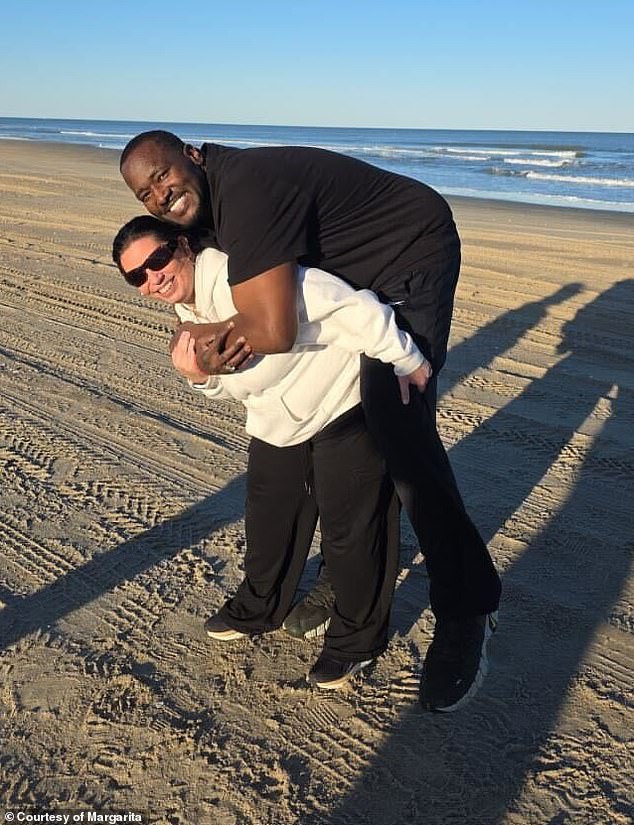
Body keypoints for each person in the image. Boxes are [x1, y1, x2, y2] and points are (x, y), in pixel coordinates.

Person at [120, 130, 502, 712]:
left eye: (163, 176)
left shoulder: (245, 188)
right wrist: (205, 350)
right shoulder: (198, 223)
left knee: (396, 423)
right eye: (145, 193)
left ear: (192, 155)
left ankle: (469, 606)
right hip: (352, 277)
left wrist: (199, 348)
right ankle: (343, 578)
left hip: (409, 253)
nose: (159, 194)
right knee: (304, 445)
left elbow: (273, 330)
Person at [112, 214, 431, 690]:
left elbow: (349, 305)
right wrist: (200, 379)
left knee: (354, 532)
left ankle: (355, 642)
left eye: (157, 260)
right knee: (268, 518)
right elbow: (230, 386)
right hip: (280, 418)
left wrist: (409, 360)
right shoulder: (189, 312)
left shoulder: (244, 274)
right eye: (137, 276)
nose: (152, 278)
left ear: (182, 246)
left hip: (342, 400)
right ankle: (259, 607)